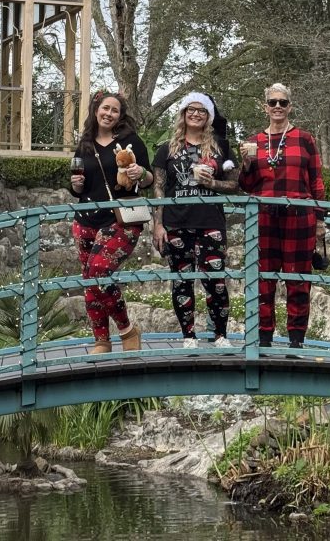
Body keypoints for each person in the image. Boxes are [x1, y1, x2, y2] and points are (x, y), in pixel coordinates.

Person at [238, 83, 325, 348]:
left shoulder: (305, 139)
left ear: (290, 107)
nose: (278, 106)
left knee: (298, 278)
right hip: (264, 215)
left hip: (299, 215)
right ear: (265, 107)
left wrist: (321, 219)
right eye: (273, 102)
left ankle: (296, 338)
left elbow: (316, 181)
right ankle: (263, 336)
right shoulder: (254, 142)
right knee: (263, 277)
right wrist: (246, 165)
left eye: (283, 102)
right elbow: (247, 185)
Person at [152, 92, 238, 347]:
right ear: (183, 113)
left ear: (209, 116)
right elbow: (158, 188)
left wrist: (212, 183)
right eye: (191, 109)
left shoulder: (221, 146)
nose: (196, 113)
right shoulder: (166, 148)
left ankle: (221, 334)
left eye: (202, 110)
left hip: (210, 221)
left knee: (216, 282)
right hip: (176, 222)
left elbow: (236, 184)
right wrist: (158, 224)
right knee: (181, 281)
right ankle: (188, 335)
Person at [70, 90, 152, 354]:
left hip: (121, 219)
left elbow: (149, 180)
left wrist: (140, 173)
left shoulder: (130, 142)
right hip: (85, 220)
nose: (109, 114)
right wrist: (75, 186)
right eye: (105, 108)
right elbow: (77, 187)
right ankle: (101, 340)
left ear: (120, 115)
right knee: (89, 280)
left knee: (99, 271)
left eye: (114, 110)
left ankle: (127, 329)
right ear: (96, 110)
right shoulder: (84, 144)